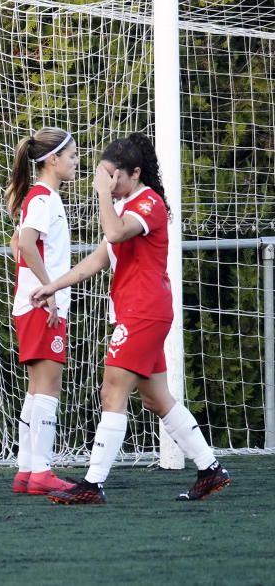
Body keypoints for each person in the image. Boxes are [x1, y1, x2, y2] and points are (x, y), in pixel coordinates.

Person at [31, 132, 231, 504]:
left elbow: (114, 232)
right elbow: (97, 259)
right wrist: (52, 286)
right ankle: (210, 468)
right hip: (138, 311)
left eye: (112, 176)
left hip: (144, 311)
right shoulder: (126, 205)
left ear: (134, 173)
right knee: (157, 399)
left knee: (112, 392)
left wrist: (103, 194)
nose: (107, 183)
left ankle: (93, 484)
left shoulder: (149, 203)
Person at [5, 128, 78, 496]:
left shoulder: (40, 198)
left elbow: (18, 243)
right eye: (71, 156)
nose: (76, 162)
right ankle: (42, 471)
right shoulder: (42, 198)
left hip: (33, 302)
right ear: (52, 160)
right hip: (41, 305)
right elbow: (28, 246)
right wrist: (49, 289)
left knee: (37, 390)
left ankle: (27, 470)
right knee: (48, 388)